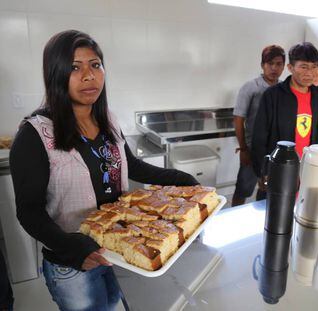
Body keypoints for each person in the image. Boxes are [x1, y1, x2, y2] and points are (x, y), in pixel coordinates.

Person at [9, 30, 198, 311]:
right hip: (73, 263)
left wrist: (180, 179)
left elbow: (130, 165)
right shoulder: (34, 135)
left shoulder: (107, 119)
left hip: (117, 247)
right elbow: (29, 212)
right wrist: (74, 247)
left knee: (112, 305)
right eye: (75, 67)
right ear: (56, 74)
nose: (89, 76)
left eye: (95, 65)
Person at [251, 42, 318, 181]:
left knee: (305, 202)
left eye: (314, 67)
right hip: (278, 168)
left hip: (308, 167)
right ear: (290, 68)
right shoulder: (273, 95)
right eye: (303, 67)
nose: (310, 73)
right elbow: (259, 136)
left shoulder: (316, 94)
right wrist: (263, 171)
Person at [232, 45, 285, 206]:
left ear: (284, 66)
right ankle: (233, 222)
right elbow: (238, 118)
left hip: (274, 150)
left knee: (267, 189)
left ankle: (261, 222)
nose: (274, 68)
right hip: (252, 149)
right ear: (262, 65)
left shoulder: (284, 89)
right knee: (243, 189)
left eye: (278, 64)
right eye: (270, 64)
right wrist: (243, 149)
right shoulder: (251, 87)